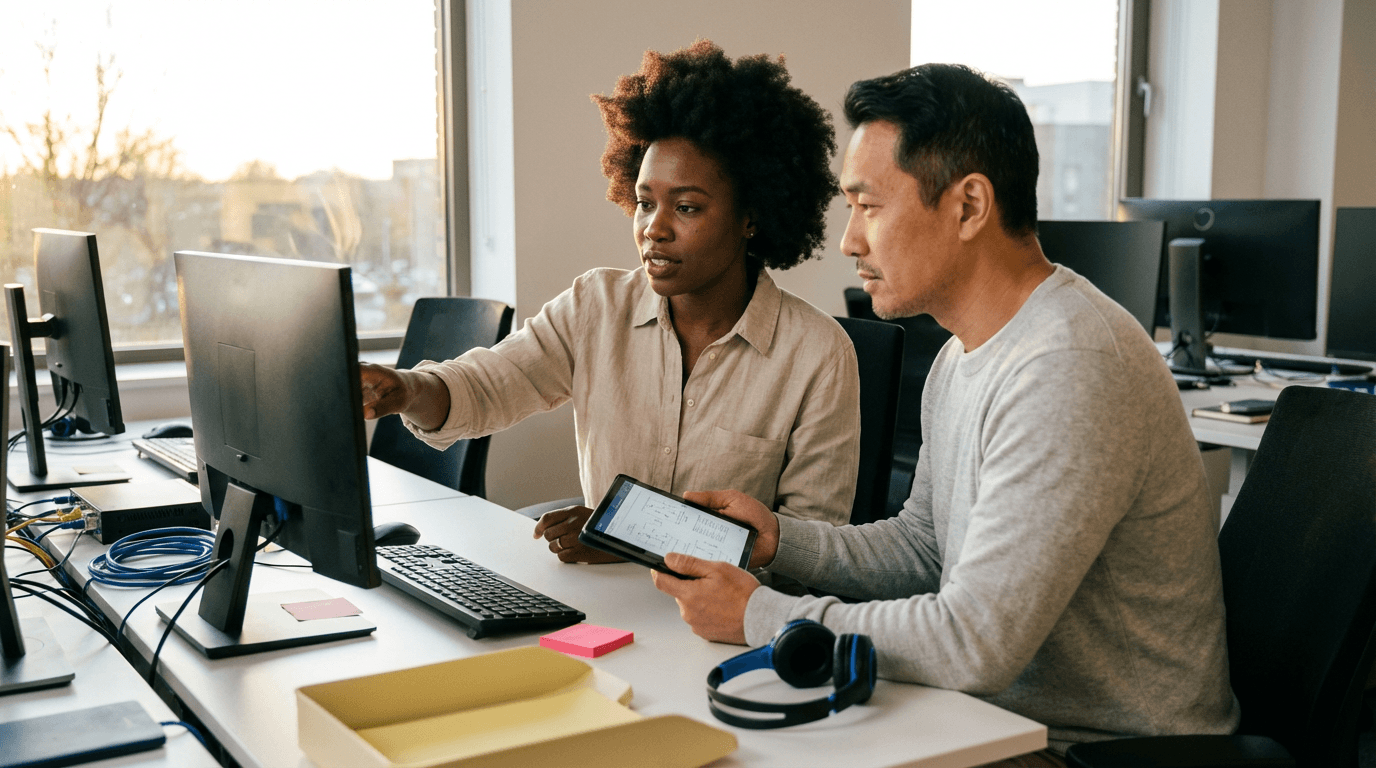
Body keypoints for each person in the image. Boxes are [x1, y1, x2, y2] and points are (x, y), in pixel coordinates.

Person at [650, 64, 1240, 764]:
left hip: (1099, 750)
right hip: (993, 720)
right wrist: (778, 539)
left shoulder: (1071, 364)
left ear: (968, 207)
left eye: (868, 206)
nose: (849, 241)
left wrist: (760, 615)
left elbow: (973, 641)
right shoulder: (962, 355)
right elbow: (925, 548)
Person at [360, 40, 860, 564]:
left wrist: (633, 539)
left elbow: (810, 550)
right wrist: (406, 389)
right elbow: (487, 388)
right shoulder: (595, 306)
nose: (654, 229)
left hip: (726, 626)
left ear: (751, 216)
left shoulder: (818, 354)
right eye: (645, 203)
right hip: (603, 611)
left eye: (686, 207)